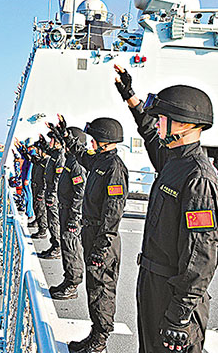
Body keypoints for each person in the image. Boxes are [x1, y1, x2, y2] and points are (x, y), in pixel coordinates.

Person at [114, 65, 218, 353]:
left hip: (175, 294)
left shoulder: (198, 178)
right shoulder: (173, 162)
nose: (158, 123)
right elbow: (150, 134)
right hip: (153, 285)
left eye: (162, 118)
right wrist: (131, 98)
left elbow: (202, 254)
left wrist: (180, 315)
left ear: (183, 123)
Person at [53, 114, 128, 353]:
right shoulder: (99, 162)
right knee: (93, 288)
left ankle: (100, 340)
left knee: (102, 289)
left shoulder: (114, 168)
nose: (91, 143)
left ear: (104, 140)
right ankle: (95, 332)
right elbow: (81, 155)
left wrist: (102, 245)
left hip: (102, 237)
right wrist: (65, 136)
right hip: (92, 232)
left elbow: (113, 211)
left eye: (94, 139)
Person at [47, 126, 87, 300]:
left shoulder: (76, 165)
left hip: (71, 213)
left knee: (71, 248)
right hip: (64, 209)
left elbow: (80, 192)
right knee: (66, 246)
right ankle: (67, 279)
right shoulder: (69, 160)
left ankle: (72, 284)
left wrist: (74, 217)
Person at [37, 134, 65, 258]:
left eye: (52, 140)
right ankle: (54, 244)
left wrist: (53, 194)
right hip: (49, 191)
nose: (50, 142)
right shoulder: (54, 154)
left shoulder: (60, 156)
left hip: (53, 194)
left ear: (57, 142)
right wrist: (43, 141)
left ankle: (57, 247)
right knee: (50, 219)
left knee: (54, 220)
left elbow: (57, 178)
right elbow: (46, 150)